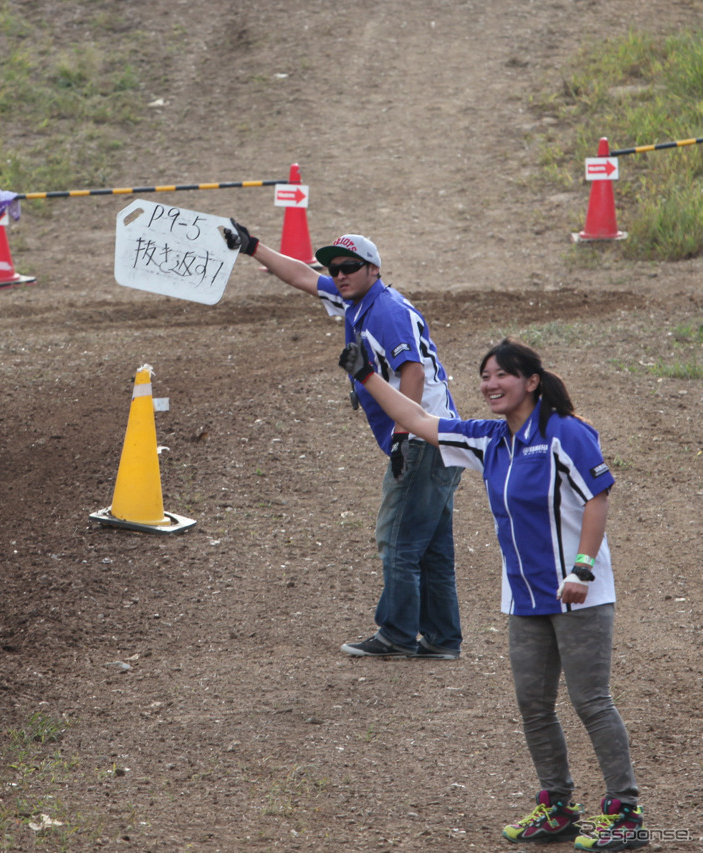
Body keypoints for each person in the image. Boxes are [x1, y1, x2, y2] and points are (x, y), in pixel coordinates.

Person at [339, 337, 645, 851]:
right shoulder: (490, 439)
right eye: (483, 377)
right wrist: (369, 377)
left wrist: (584, 569)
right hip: (524, 598)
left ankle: (625, 812)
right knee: (533, 705)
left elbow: (597, 497)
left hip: (579, 595)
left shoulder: (564, 433)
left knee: (590, 701)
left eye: (500, 375)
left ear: (530, 381)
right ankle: (558, 807)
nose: (489, 385)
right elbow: (419, 421)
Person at [224, 222, 464, 659]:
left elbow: (412, 371)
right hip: (441, 438)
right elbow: (300, 275)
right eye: (334, 268)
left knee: (397, 539)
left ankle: (395, 635)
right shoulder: (359, 301)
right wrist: (253, 247)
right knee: (430, 545)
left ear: (373, 269)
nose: (339, 275)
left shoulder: (386, 312)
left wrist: (402, 435)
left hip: (424, 439)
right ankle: (443, 639)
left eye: (350, 267)